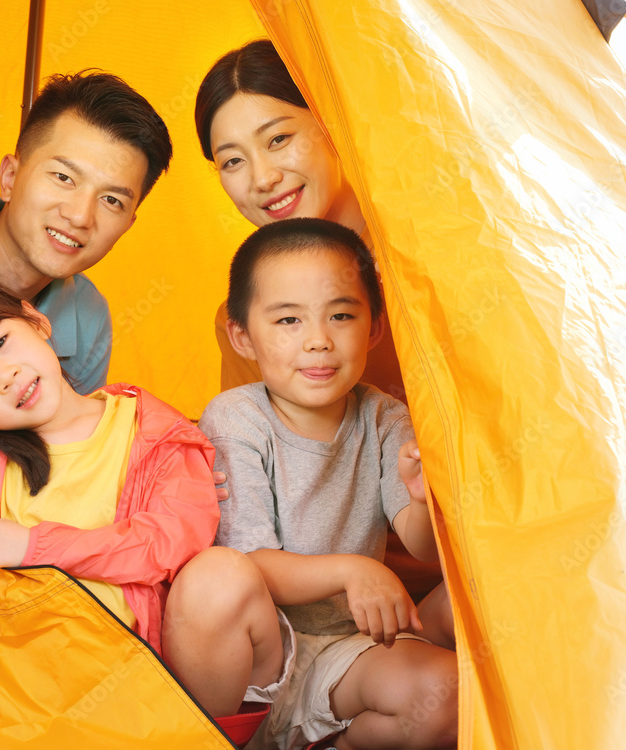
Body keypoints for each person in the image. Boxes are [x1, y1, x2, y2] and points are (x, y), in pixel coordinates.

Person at [0, 188, 290, 721]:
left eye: (0, 343)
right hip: (37, 683)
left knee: (220, 574)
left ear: (36, 322)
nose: (5, 377)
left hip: (142, 680)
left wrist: (33, 545)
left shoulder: (151, 430)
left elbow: (168, 544)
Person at [195, 39, 443, 603]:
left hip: (468, 560)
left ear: (331, 123)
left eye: (278, 138)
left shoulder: (429, 264)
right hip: (327, 600)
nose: (261, 178)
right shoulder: (249, 319)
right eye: (232, 160)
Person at [198, 219, 457, 750]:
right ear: (243, 336)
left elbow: (420, 543)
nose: (319, 341)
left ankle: (332, 741)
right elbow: (250, 563)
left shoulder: (384, 416)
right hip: (272, 654)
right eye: (288, 320)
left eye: (341, 315)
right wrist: (351, 570)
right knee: (440, 688)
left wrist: (419, 497)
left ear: (374, 328)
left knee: (459, 669)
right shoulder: (237, 418)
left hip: (356, 644)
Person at [0, 71, 173, 396]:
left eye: (112, 200)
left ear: (127, 225)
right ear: (10, 178)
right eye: (63, 177)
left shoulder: (89, 323)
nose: (79, 216)